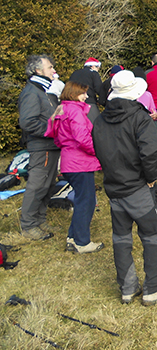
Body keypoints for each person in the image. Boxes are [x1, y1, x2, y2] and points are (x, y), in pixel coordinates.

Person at [92, 70, 157, 306]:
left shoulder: (100, 120)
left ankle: (128, 287)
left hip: (114, 186)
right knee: (152, 235)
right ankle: (153, 287)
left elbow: (99, 149)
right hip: (135, 187)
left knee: (121, 237)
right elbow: (150, 152)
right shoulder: (140, 119)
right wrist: (151, 178)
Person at [45, 81, 103, 253]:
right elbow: (83, 138)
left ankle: (73, 236)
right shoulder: (75, 111)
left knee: (81, 200)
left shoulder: (61, 109)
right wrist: (98, 152)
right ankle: (82, 241)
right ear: (73, 94)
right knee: (87, 201)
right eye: (83, 93)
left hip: (69, 161)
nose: (86, 96)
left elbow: (54, 134)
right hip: (80, 162)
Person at [18, 55, 61, 241]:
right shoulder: (32, 92)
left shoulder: (43, 91)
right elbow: (28, 122)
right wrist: (51, 130)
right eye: (50, 67)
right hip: (41, 146)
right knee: (37, 185)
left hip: (51, 146)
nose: (54, 71)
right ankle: (28, 225)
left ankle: (39, 218)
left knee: (49, 184)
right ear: (38, 70)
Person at [68, 57, 106, 122]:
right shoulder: (94, 73)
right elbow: (99, 89)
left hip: (73, 103)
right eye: (98, 68)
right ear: (94, 66)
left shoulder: (75, 73)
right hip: (89, 103)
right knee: (95, 125)